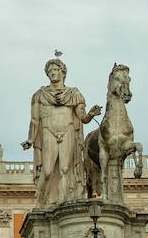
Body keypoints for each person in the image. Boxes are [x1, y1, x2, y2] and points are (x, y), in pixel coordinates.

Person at [21, 58, 101, 206]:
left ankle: (63, 205)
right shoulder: (40, 95)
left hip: (68, 131)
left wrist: (91, 114)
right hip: (48, 132)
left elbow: (82, 117)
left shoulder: (74, 94)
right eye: (49, 71)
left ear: (63, 72)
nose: (52, 73)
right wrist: (31, 139)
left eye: (55, 70)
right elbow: (34, 120)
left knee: (65, 169)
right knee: (48, 171)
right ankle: (41, 203)